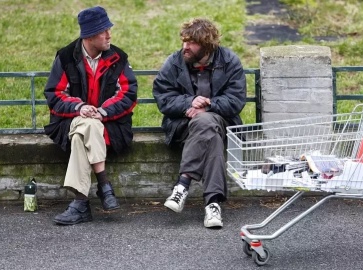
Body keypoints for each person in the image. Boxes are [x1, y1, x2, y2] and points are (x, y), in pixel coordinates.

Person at [44, 6, 138, 225]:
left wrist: (101, 112)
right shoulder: (66, 57)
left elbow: (128, 94)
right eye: (103, 30)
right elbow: (55, 94)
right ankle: (104, 185)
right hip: (70, 120)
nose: (109, 35)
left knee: (82, 134)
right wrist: (80, 108)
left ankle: (80, 203)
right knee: (86, 125)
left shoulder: (118, 57)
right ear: (89, 35)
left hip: (111, 125)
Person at [153, 18, 246, 228]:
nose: (185, 47)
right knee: (209, 134)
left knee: (206, 121)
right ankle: (213, 204)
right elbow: (163, 97)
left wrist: (209, 104)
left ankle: (182, 185)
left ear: (206, 45)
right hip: (183, 126)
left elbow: (236, 100)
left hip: (221, 122)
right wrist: (189, 102)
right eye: (184, 41)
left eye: (191, 43)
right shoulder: (175, 62)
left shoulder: (229, 61)